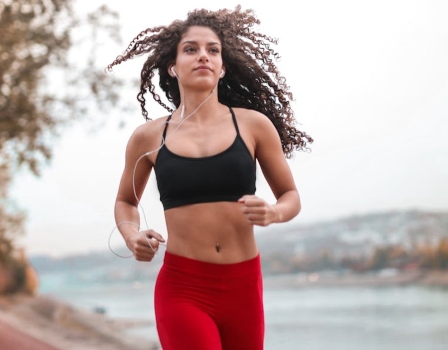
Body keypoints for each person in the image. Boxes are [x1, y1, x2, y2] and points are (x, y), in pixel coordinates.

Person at [108, 7, 312, 350]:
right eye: (191, 49)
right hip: (182, 287)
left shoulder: (253, 125)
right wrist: (131, 236)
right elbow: (126, 201)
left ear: (222, 66)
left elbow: (290, 195)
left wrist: (274, 212)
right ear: (172, 66)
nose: (203, 55)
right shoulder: (148, 137)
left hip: (243, 285)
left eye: (212, 50)